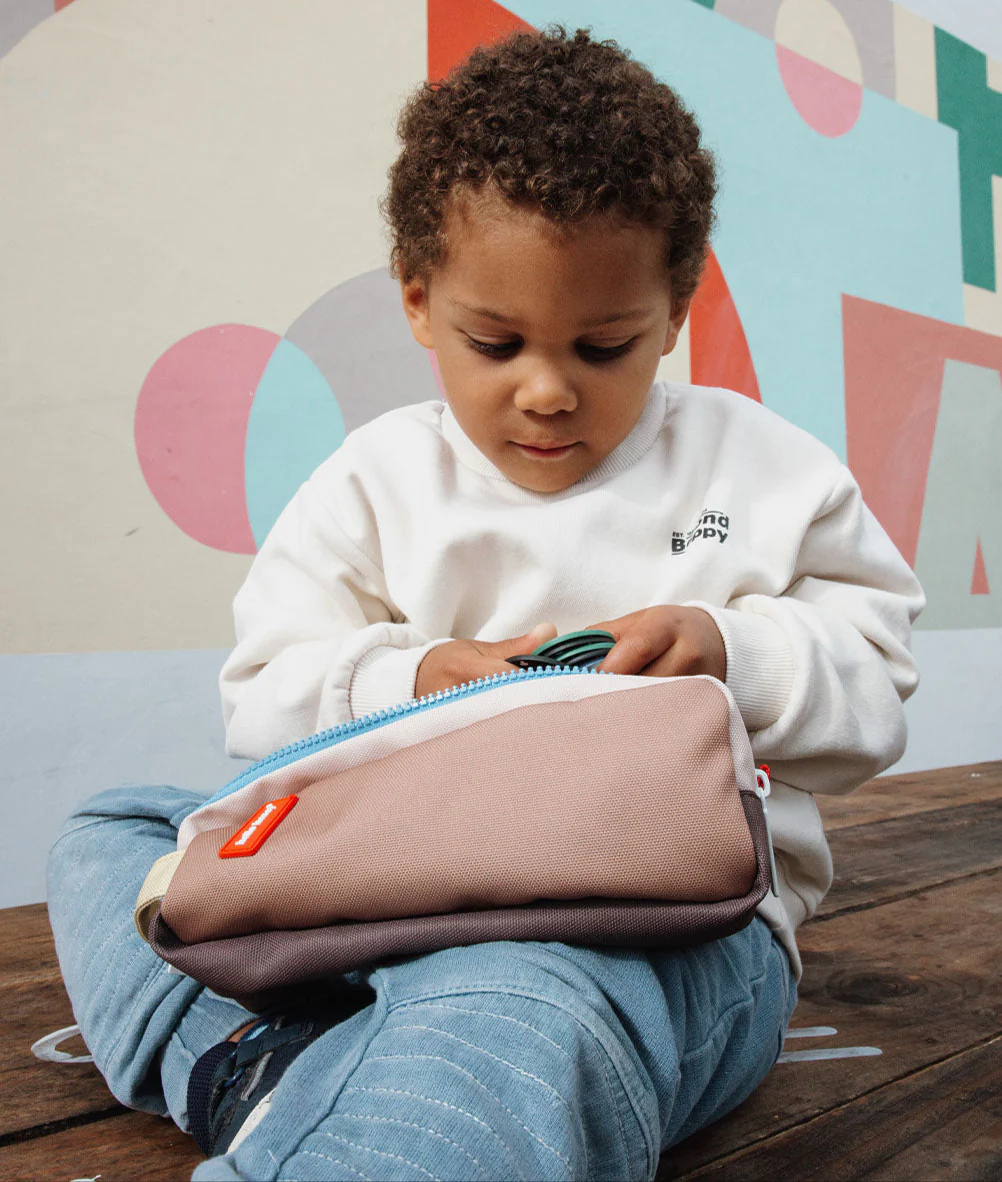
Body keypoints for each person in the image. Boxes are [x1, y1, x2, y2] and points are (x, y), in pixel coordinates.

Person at [46, 25, 925, 1181]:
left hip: (672, 934)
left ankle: (280, 1075)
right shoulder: (373, 482)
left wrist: (730, 650)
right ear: (419, 302)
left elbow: (875, 692)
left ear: (674, 309)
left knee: (520, 997)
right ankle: (335, 1076)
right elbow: (259, 699)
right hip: (379, 898)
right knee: (113, 838)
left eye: (605, 347)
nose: (548, 390)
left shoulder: (762, 469)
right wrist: (411, 678)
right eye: (495, 342)